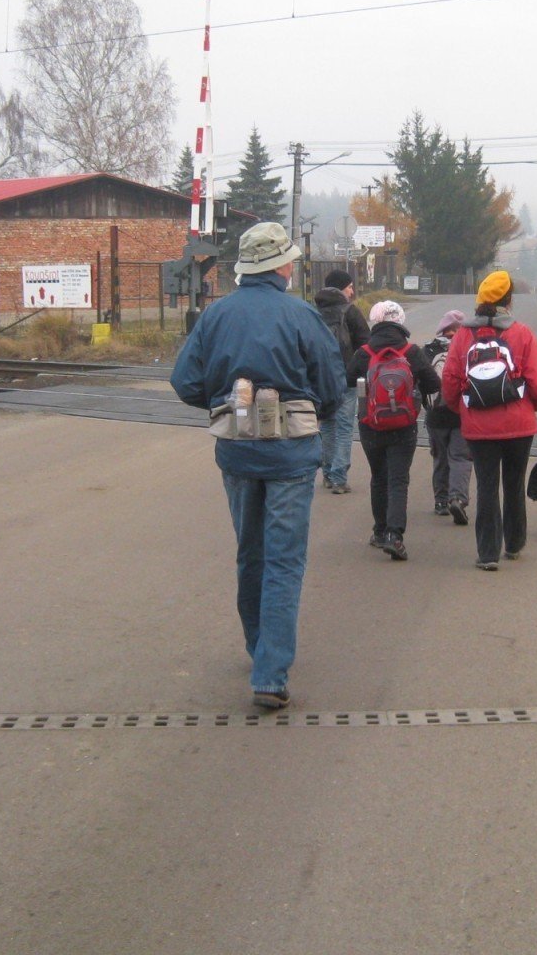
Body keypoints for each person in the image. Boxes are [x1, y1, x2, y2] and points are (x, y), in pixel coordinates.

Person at [170, 222, 346, 711]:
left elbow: (185, 383)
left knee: (251, 553)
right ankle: (270, 672)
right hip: (292, 454)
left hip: (237, 451)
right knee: (284, 559)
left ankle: (258, 649)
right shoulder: (302, 316)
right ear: (281, 266)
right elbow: (332, 390)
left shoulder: (216, 315)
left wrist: (227, 400)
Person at [440, 271, 537, 571]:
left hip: (478, 426)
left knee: (487, 487)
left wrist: (462, 409)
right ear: (509, 300)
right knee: (514, 483)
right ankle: (514, 544)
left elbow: (450, 382)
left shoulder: (463, 335)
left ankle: (487, 553)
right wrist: (532, 406)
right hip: (518, 424)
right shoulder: (522, 333)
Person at [345, 299, 441, 561]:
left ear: (374, 321)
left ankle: (379, 531)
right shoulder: (412, 351)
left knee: (379, 477)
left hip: (370, 424)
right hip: (404, 425)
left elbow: (347, 379)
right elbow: (434, 385)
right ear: (400, 321)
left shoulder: (364, 352)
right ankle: (394, 536)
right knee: (398, 479)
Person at [312, 269, 370, 494]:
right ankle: (338, 477)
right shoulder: (351, 312)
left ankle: (327, 473)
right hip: (347, 377)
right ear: (340, 289)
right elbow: (366, 345)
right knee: (345, 426)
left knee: (327, 424)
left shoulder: (314, 312)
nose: (352, 291)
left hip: (321, 379)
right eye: (349, 287)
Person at [423, 308, 472, 526]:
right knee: (461, 457)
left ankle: (441, 501)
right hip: (462, 411)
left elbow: (420, 381)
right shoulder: (469, 348)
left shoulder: (428, 350)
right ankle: (458, 498)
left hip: (436, 414)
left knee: (440, 457)